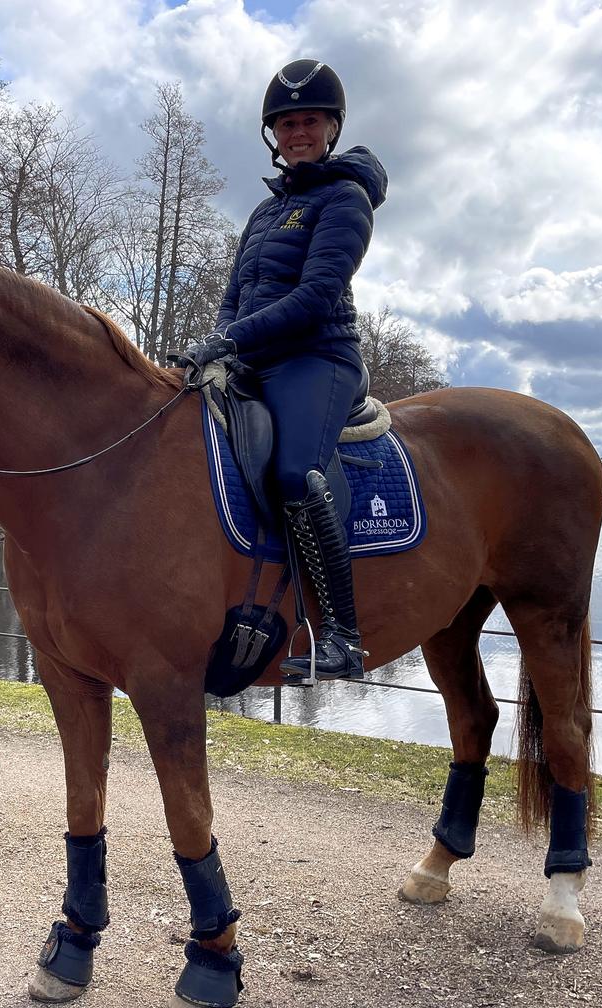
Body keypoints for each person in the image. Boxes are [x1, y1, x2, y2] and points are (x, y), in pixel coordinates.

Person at [183, 59, 388, 681]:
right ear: (273, 133)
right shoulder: (264, 212)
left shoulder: (345, 198)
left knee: (297, 473)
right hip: (254, 362)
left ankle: (344, 638)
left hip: (317, 357)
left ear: (331, 127)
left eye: (309, 121)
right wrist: (219, 341)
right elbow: (235, 293)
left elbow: (316, 296)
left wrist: (229, 338)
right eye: (286, 122)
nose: (297, 132)